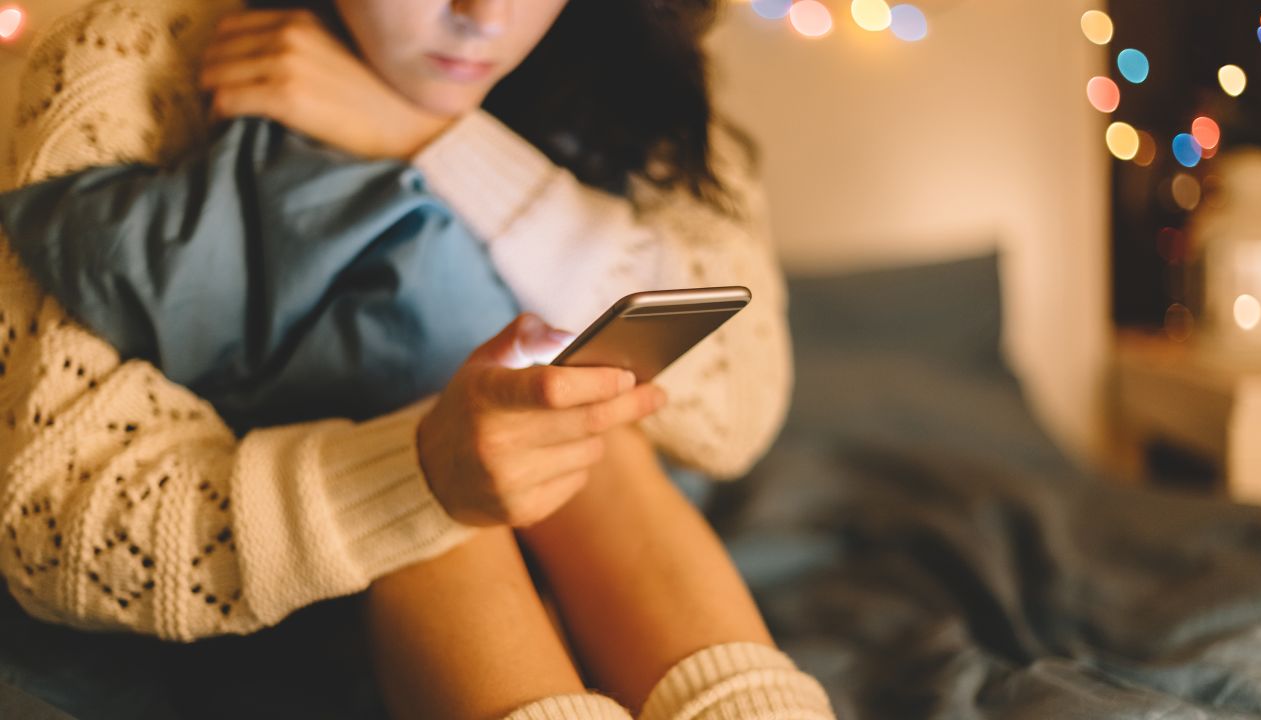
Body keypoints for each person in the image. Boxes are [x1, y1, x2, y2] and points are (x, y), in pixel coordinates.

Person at [0, 0, 834, 718]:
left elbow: (739, 407)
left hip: (602, 530)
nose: (482, 16)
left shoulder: (633, 50)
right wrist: (417, 470)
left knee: (580, 421)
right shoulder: (128, 56)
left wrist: (433, 136)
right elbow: (51, 522)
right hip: (301, 570)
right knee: (462, 464)